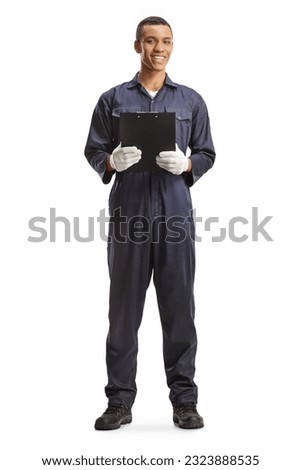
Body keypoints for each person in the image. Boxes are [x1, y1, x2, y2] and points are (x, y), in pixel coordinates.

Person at [84, 16, 215, 430]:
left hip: (175, 217)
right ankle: (119, 402)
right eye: (151, 41)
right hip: (129, 217)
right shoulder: (112, 99)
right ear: (137, 45)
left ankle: (185, 402)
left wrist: (189, 163)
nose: (159, 48)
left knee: (179, 308)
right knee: (123, 311)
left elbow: (208, 152)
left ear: (172, 47)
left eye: (167, 42)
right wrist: (109, 161)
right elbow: (93, 148)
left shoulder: (190, 100)